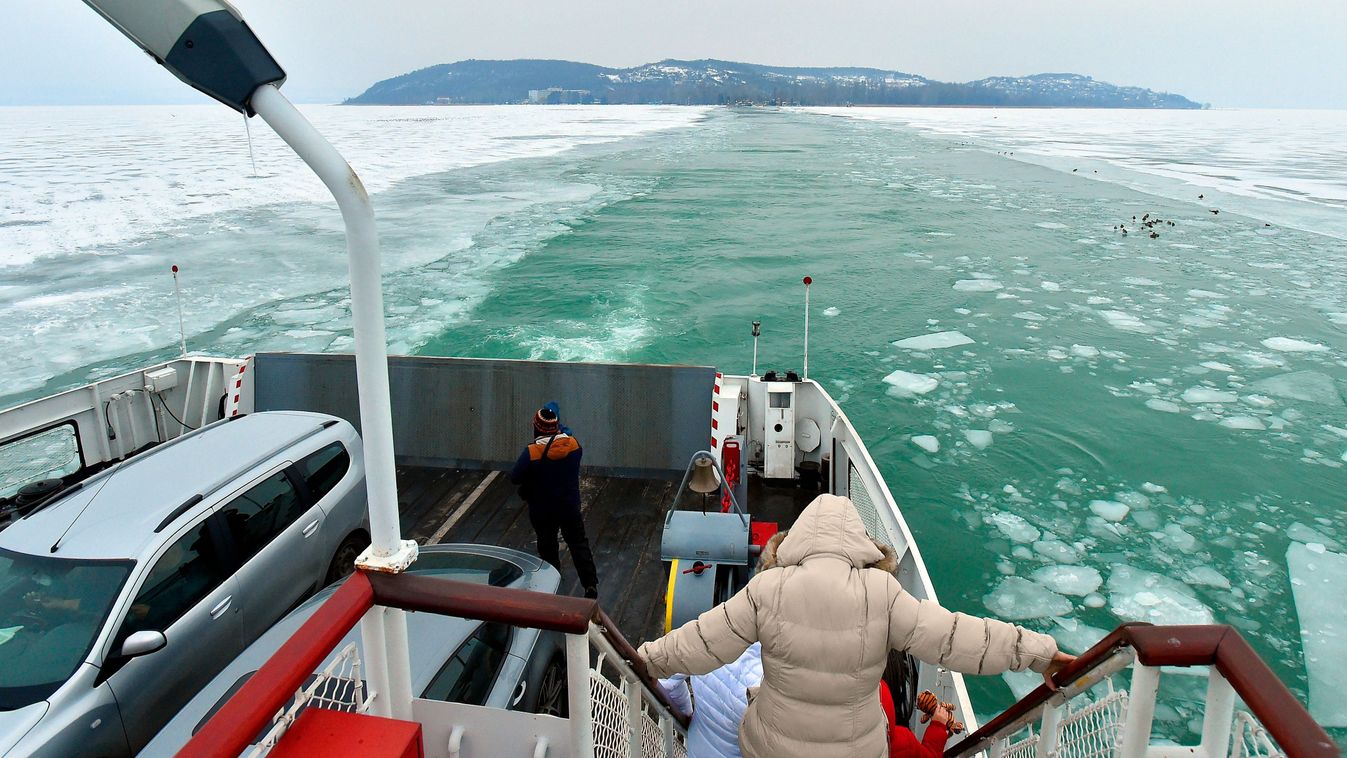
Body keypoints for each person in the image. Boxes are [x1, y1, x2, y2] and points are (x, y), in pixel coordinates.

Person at [637, 494, 1075, 758]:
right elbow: (960, 638)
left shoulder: (767, 589)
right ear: (861, 544)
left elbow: (697, 644)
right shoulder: (881, 595)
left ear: (797, 539)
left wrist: (644, 659)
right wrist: (1040, 654)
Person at [510, 405, 599, 599]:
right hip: (569, 506)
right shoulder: (574, 446)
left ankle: (554, 583)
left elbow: (515, 477)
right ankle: (590, 583)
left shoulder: (532, 452)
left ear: (537, 428)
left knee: (547, 545)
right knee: (578, 544)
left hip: (543, 509)